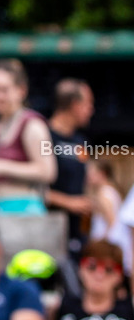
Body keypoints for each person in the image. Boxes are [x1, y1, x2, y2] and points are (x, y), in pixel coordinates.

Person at [0, 59, 57, 214]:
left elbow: (48, 171)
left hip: (26, 208)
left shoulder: (34, 125)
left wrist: (0, 166)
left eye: (3, 90)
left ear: (21, 90)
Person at [46, 79, 96, 257]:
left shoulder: (80, 141)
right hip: (48, 229)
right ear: (75, 105)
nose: (91, 110)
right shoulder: (44, 136)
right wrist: (68, 202)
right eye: (88, 103)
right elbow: (32, 188)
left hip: (77, 233)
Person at [87, 161, 131, 275]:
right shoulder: (112, 190)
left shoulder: (103, 193)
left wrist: (102, 243)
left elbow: (112, 221)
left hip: (108, 243)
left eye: (91, 173)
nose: (88, 176)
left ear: (102, 174)